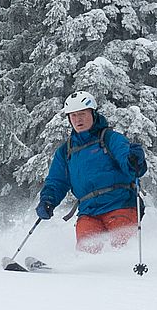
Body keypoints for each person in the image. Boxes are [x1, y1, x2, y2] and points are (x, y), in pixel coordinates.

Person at [35, 90, 147, 254]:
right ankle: (86, 274)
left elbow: (128, 162)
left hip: (119, 205)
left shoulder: (110, 138)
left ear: (93, 114)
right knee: (87, 250)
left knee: (122, 246)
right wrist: (48, 200)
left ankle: (127, 273)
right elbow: (56, 182)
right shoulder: (66, 151)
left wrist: (133, 161)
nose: (78, 119)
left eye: (82, 114)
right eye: (73, 116)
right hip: (88, 211)